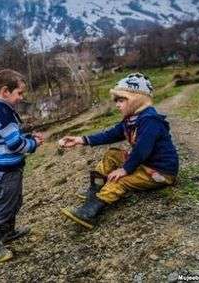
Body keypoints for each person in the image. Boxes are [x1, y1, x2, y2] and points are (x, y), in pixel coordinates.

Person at [59, 72, 179, 229]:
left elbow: (142, 150)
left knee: (119, 179)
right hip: (144, 163)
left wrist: (125, 169)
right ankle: (95, 189)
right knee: (112, 154)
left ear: (136, 99)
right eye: (116, 100)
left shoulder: (150, 120)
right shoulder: (131, 119)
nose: (117, 104)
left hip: (160, 171)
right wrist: (81, 140)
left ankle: (89, 211)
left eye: (121, 100)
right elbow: (110, 135)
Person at [0, 69, 44, 262]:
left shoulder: (1, 109)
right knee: (2, 207)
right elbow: (15, 145)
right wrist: (34, 144)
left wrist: (28, 137)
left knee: (14, 202)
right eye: (19, 93)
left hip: (9, 168)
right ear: (5, 91)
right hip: (5, 171)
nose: (21, 97)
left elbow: (11, 137)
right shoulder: (2, 112)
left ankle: (8, 233)